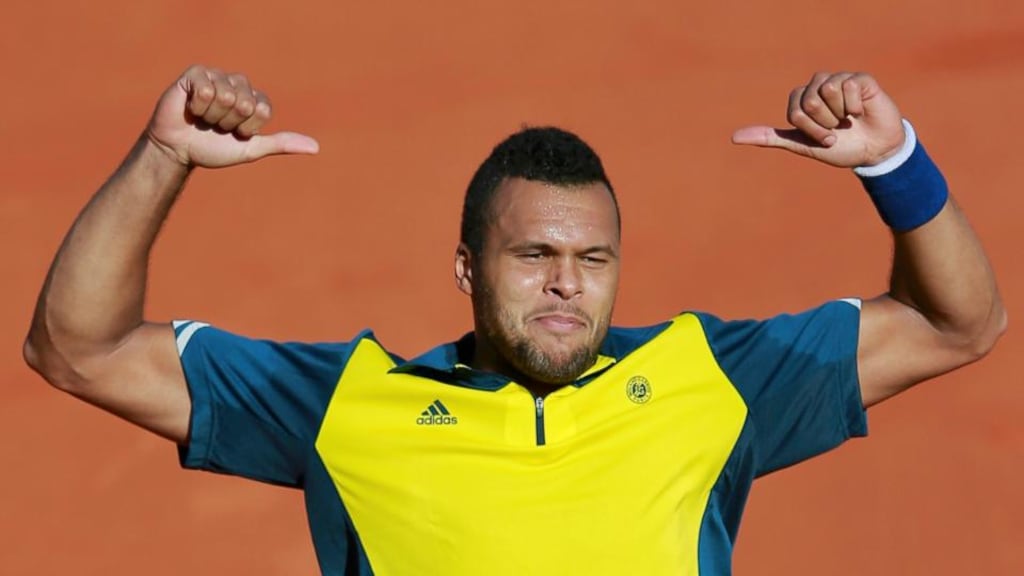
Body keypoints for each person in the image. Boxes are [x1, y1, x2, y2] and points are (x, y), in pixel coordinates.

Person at [24, 65, 1006, 575]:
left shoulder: (710, 378)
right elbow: (79, 349)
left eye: (592, 259)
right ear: (465, 267)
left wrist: (894, 165)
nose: (566, 285)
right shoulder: (350, 404)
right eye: (534, 256)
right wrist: (164, 158)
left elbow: (957, 324)